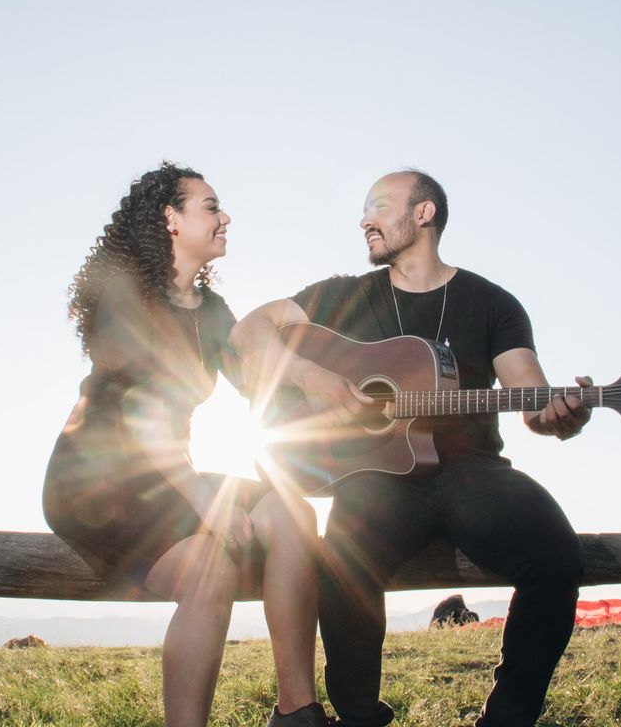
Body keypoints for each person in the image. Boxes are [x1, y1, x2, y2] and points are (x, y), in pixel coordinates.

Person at [230, 170, 591, 727]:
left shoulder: (492, 303)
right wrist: (307, 376)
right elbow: (248, 331)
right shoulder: (343, 296)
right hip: (379, 476)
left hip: (474, 472)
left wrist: (562, 416)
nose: (364, 219)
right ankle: (359, 717)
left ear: (424, 214)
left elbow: (533, 398)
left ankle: (508, 717)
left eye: (378, 206)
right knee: (342, 561)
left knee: (558, 559)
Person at [43, 163, 329, 727]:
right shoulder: (123, 293)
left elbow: (255, 385)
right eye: (211, 207)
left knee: (291, 512)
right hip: (97, 483)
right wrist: (204, 503)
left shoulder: (213, 313)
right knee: (210, 569)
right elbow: (141, 413)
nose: (225, 218)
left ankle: (298, 712)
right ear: (170, 219)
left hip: (170, 476)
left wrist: (278, 323)